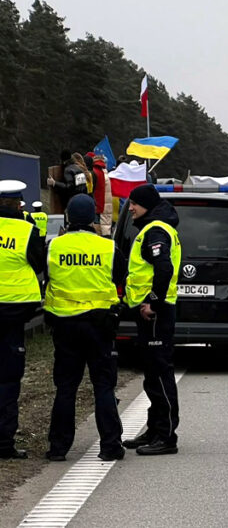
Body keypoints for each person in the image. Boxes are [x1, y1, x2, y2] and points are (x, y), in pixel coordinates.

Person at [42, 195, 124, 462]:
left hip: (64, 325)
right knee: (103, 385)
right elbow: (121, 278)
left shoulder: (54, 247)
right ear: (93, 219)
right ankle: (110, 446)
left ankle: (58, 448)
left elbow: (45, 276)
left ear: (67, 217)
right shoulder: (107, 247)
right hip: (99, 325)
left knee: (66, 387)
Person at [120, 184, 181, 456]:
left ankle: (166, 435)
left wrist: (153, 301)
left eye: (134, 203)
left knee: (159, 373)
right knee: (152, 375)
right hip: (151, 311)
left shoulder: (156, 230)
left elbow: (164, 268)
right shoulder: (154, 227)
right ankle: (155, 429)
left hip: (156, 312)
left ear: (146, 204)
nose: (130, 208)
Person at [0, 180, 45, 459]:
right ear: (18, 205)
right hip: (15, 312)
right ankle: (4, 443)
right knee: (8, 379)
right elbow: (40, 264)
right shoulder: (27, 230)